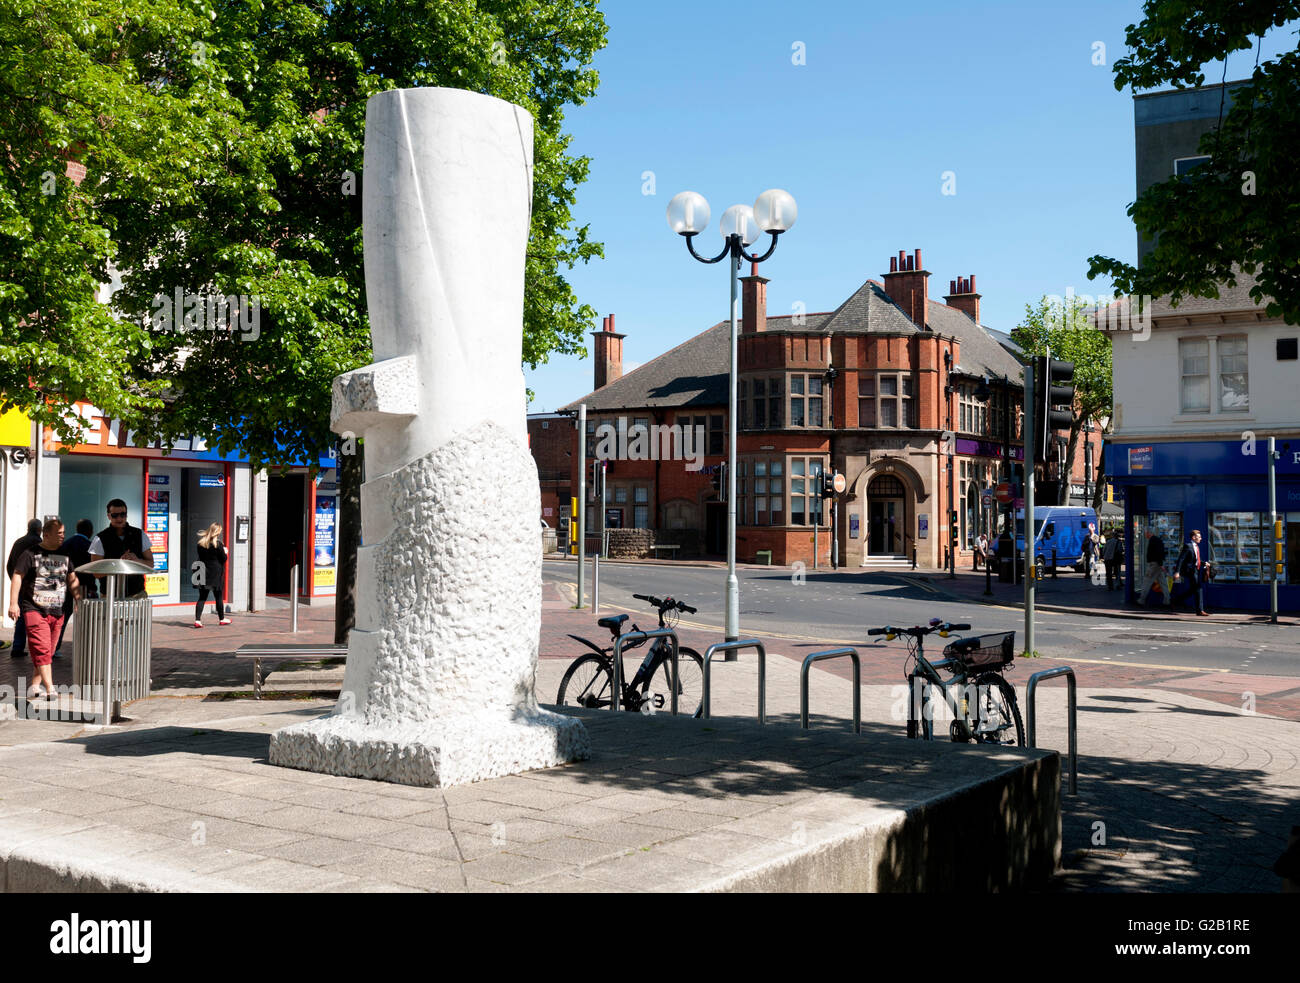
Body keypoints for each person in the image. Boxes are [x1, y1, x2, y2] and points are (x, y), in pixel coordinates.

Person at [8, 519, 81, 700]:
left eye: (63, 533)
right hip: (34, 608)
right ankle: (50, 688)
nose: (63, 536)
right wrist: (13, 603)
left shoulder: (65, 554)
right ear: (46, 534)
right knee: (41, 649)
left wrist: (79, 599)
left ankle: (34, 685)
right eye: (59, 534)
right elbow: (17, 575)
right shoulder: (30, 553)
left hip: (57, 610)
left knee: (47, 650)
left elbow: (72, 579)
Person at [88, 499, 152, 598]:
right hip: (109, 596)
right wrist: (118, 564)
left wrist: (137, 560)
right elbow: (96, 572)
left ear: (126, 515)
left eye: (123, 514)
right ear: (108, 516)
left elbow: (150, 564)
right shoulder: (100, 538)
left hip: (137, 594)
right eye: (115, 515)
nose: (119, 519)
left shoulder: (139, 534)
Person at [53, 519, 97, 658]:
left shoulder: (65, 544)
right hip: (82, 588)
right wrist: (92, 588)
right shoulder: (89, 546)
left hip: (64, 587)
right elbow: (90, 571)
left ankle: (54, 646)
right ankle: (85, 648)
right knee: (86, 619)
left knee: (62, 618)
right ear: (89, 531)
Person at [5, 518, 42, 659]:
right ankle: (35, 648)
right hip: (33, 587)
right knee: (36, 617)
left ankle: (18, 646)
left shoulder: (18, 542)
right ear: (40, 529)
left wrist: (16, 581)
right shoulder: (39, 543)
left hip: (21, 586)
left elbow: (9, 566)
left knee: (20, 617)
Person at [194, 523, 230, 628]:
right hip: (215, 573)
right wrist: (225, 552)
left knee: (202, 597)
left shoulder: (200, 543)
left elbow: (200, 557)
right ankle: (222, 619)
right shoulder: (218, 544)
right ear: (217, 532)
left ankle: (197, 620)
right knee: (218, 596)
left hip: (203, 571)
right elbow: (223, 559)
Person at [1172, 529, 1210, 616]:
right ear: (1193, 537)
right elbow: (1181, 559)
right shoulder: (1188, 546)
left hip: (1196, 570)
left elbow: (1196, 559)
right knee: (1199, 588)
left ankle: (1176, 600)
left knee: (1193, 590)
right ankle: (1200, 610)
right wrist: (1177, 572)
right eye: (1199, 537)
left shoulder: (1196, 546)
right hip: (1190, 571)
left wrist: (1204, 563)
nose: (1201, 538)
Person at [1137, 531, 1169, 606]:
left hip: (1154, 564)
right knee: (1163, 582)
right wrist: (1161, 564)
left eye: (1145, 534)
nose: (1145, 536)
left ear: (1149, 533)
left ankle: (1142, 600)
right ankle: (1167, 600)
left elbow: (1158, 552)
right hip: (1158, 564)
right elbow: (1160, 552)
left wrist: (1160, 564)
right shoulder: (1157, 540)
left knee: (1147, 582)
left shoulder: (1154, 540)